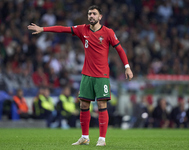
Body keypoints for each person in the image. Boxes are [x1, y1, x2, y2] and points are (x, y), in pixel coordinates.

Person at [28, 5, 133, 146]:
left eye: (94, 14)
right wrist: (43, 29)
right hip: (86, 75)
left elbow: (120, 49)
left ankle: (102, 139)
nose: (91, 16)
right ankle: (85, 137)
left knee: (102, 105)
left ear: (100, 17)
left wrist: (127, 67)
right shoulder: (82, 29)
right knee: (84, 105)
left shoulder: (108, 32)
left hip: (102, 75)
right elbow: (63, 29)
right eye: (89, 14)